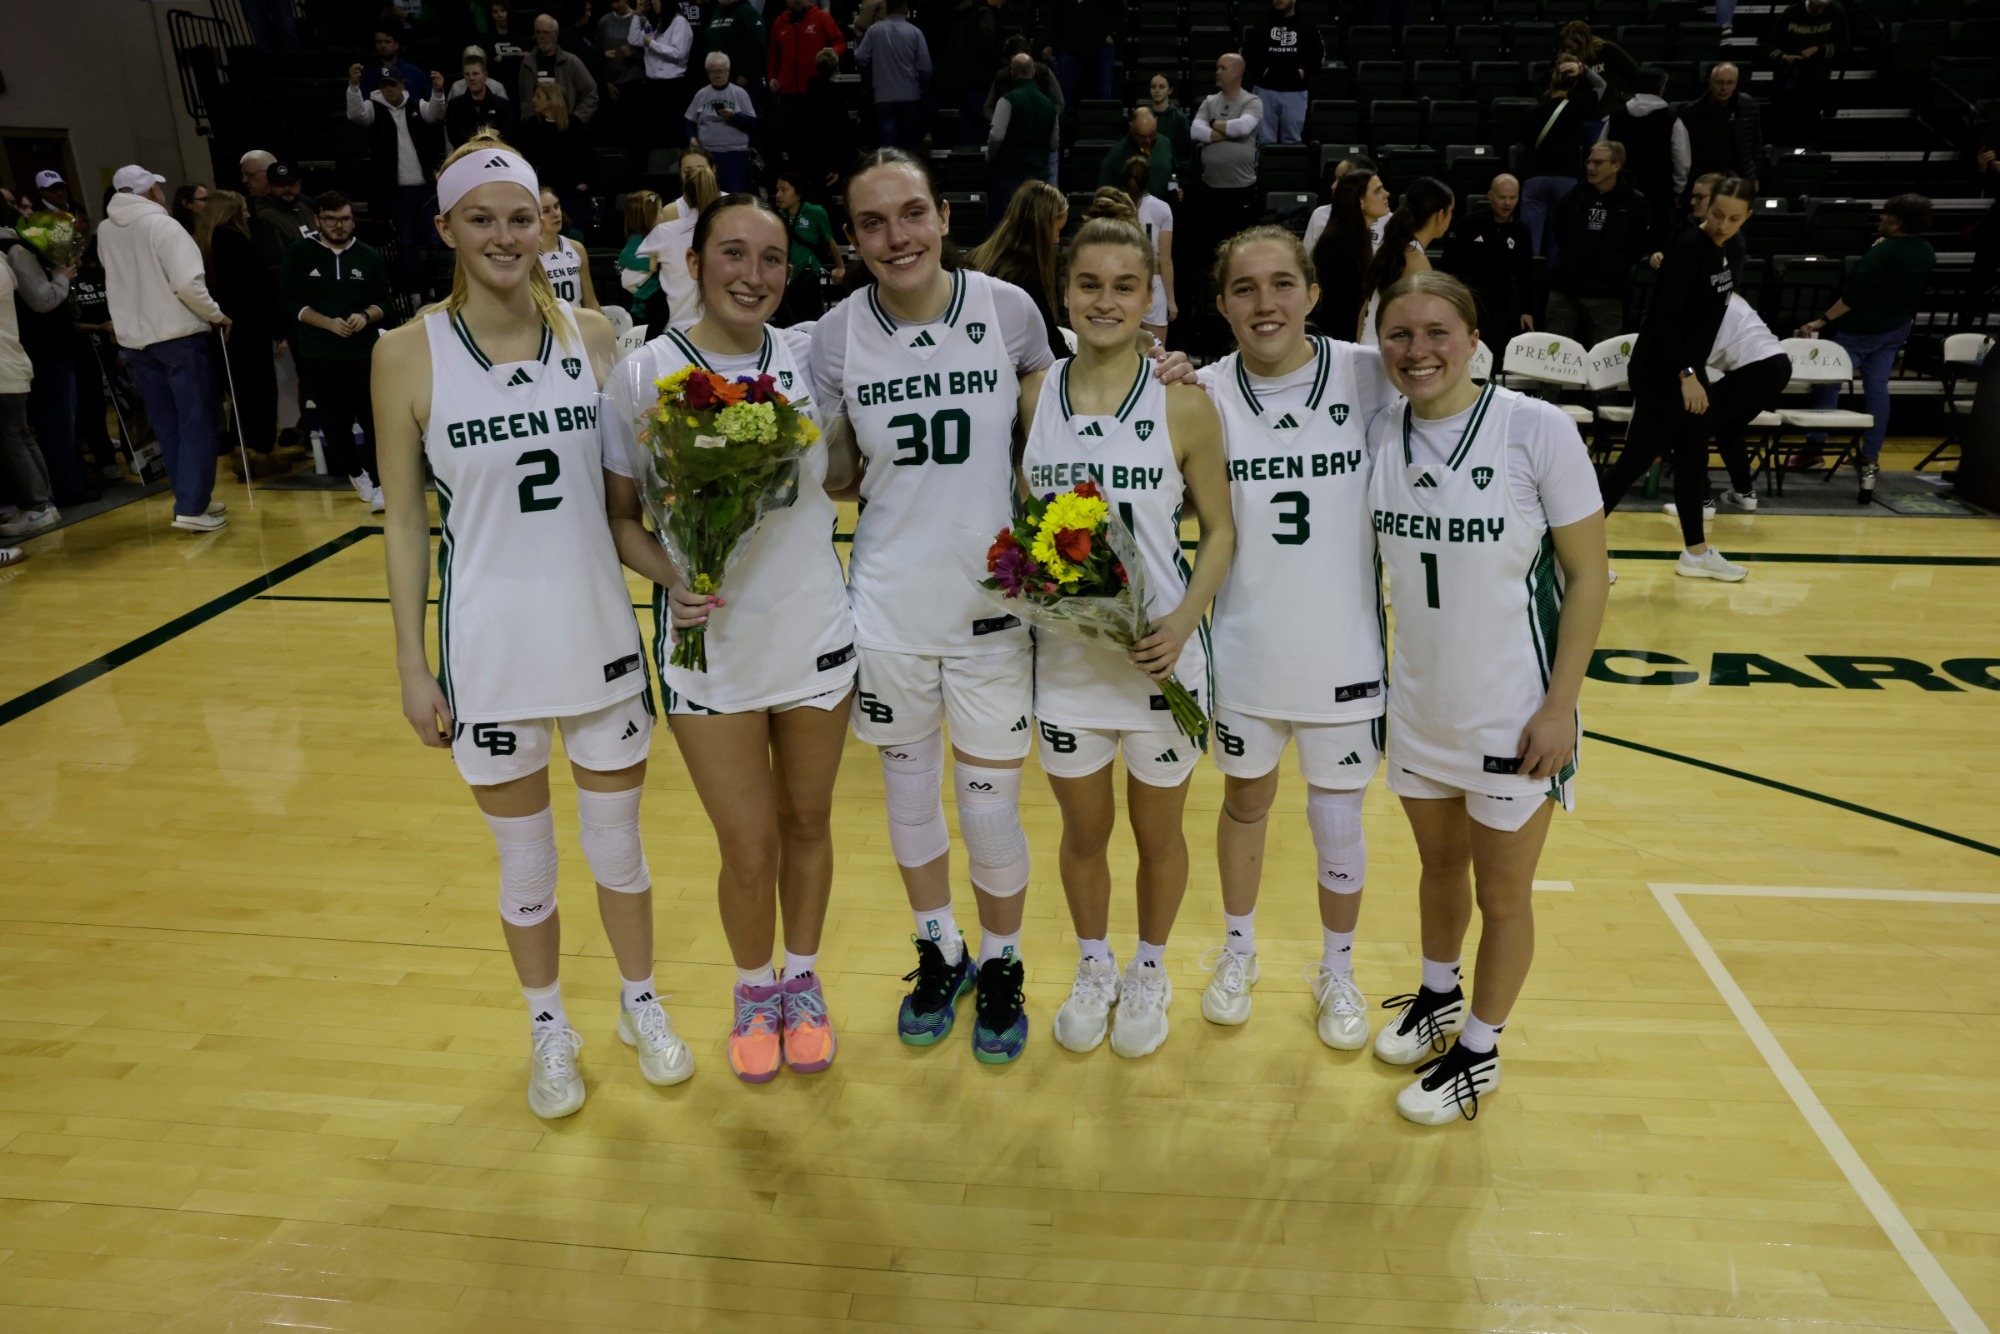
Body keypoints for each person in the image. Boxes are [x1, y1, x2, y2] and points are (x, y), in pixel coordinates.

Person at [374, 136, 691, 1120]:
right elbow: (401, 519)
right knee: (526, 865)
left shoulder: (596, 336)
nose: (504, 235)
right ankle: (549, 1025)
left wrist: (691, 568)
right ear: (448, 231)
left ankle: (641, 1002)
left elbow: (628, 500)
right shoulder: (405, 353)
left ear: (544, 223)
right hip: (490, 651)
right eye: (482, 218)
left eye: (521, 216)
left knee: (617, 850)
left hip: (596, 634)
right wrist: (410, 664)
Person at [809, 149, 1058, 1064]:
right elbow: (835, 471)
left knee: (989, 812)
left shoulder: (1009, 311)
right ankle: (938, 948)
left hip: (994, 606)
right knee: (910, 800)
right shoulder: (834, 334)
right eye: (872, 223)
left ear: (943, 216)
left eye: (910, 214)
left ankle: (1002, 961)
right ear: (854, 238)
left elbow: (1063, 419)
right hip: (887, 608)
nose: (895, 236)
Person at [602, 191, 856, 1083]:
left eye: (772, 259)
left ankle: (805, 980)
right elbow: (623, 519)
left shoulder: (807, 361)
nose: (753, 275)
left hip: (815, 633)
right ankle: (754, 988)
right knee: (746, 846)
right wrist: (677, 575)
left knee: (808, 820)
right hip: (710, 644)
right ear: (695, 262)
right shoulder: (642, 375)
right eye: (734, 255)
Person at [1365, 270, 1607, 1124]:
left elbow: (1589, 577)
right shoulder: (1377, 431)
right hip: (1421, 708)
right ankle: (1437, 995)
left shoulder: (1534, 429)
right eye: (1400, 335)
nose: (1418, 350)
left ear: (1475, 341)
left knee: (1504, 897)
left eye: (1438, 333)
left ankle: (1480, 1047)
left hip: (1515, 712)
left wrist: (1559, 707)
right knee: (1439, 869)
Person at [1020, 215, 1233, 1060]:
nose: (1105, 301)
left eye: (1124, 286)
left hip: (1160, 660)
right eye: (1089, 285)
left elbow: (1220, 531)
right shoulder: (1034, 395)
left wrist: (1183, 623)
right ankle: (1093, 962)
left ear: (1152, 297)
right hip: (1068, 662)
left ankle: (1149, 967)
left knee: (1159, 834)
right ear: (1063, 293)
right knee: (1082, 834)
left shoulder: (1184, 401)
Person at [1195, 226, 1391, 1045]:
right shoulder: (1197, 392)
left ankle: (1338, 971)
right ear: (1221, 305)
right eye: (1245, 288)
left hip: (1345, 654)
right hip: (1244, 651)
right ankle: (1238, 950)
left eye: (1283, 284)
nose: (1265, 302)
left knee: (1338, 820)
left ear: (1314, 292)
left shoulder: (1370, 374)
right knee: (1245, 802)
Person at [1601, 177, 1755, 581]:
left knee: (1693, 460)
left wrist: (1697, 371)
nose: (1723, 224)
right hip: (1662, 370)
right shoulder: (1689, 248)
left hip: (1689, 368)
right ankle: (1570, 552)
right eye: (1717, 214)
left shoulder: (1725, 249)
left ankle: (1696, 553)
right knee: (1633, 461)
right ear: (1705, 208)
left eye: (1734, 218)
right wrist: (1686, 375)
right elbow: (1665, 320)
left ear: (1747, 217)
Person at [100, 165, 232, 533]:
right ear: (150, 191)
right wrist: (217, 315)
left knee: (168, 423)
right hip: (178, 337)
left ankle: (192, 496)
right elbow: (188, 283)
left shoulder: (106, 229)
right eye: (158, 186)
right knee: (197, 420)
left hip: (137, 341)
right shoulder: (164, 226)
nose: (162, 191)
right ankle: (192, 505)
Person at [1794, 193, 1937, 488]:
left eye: (1885, 215)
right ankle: (1870, 455)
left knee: (1828, 382)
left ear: (1896, 223)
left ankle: (1813, 450)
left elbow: (1854, 296)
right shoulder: (1925, 250)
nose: (1881, 218)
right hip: (1897, 327)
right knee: (1877, 390)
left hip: (1861, 330)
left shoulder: (1882, 253)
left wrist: (1822, 320)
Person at [281, 191, 391, 508]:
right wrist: (327, 323)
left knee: (373, 420)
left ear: (353, 220)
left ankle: (381, 481)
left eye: (344, 219)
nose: (338, 226)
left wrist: (366, 315)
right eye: (331, 219)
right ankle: (356, 473)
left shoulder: (368, 255)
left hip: (364, 353)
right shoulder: (300, 253)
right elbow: (290, 302)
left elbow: (384, 301)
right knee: (334, 421)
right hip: (319, 353)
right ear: (317, 221)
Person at [1663, 292, 1788, 522]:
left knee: (1691, 428)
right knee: (1729, 428)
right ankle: (1744, 493)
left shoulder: (1700, 301)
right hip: (1779, 365)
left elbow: (1688, 357)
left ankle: (1699, 502)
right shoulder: (1727, 293)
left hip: (1756, 368)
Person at [2, 208, 88, 506]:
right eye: (21, 208)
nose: (28, 212)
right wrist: (61, 277)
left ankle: (59, 489)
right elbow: (42, 300)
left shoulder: (17, 249)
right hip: (44, 350)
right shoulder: (16, 250)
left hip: (40, 350)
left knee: (46, 426)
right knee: (54, 423)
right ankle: (62, 491)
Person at [193, 190, 281, 469]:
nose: (248, 214)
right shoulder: (235, 240)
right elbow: (256, 287)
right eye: (243, 209)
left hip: (220, 328)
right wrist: (277, 326)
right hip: (248, 328)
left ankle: (242, 451)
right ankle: (261, 454)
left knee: (239, 393)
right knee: (260, 392)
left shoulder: (203, 242)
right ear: (231, 212)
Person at [346, 63, 447, 297]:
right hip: (397, 192)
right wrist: (353, 85)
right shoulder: (373, 108)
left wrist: (439, 92)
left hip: (425, 189)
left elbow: (435, 114)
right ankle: (414, 294)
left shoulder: (416, 105)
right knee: (407, 244)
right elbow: (355, 114)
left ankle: (437, 291)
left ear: (402, 84)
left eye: (392, 84)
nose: (389, 90)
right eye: (384, 86)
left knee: (434, 243)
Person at [1544, 142, 1651, 358]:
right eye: (1589, 162)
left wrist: (1614, 269)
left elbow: (1639, 246)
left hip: (1608, 295)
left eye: (1598, 162)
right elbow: (1559, 232)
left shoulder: (1635, 203)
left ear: (1616, 166)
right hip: (1565, 291)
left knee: (1605, 365)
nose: (1591, 167)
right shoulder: (1572, 197)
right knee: (1552, 363)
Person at [966, 180, 1069, 362]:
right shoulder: (1026, 277)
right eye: (1057, 230)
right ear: (1043, 227)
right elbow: (1050, 340)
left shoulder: (980, 254)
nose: (1057, 240)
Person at [1516, 58, 1604, 260]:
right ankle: (1554, 282)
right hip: (1566, 179)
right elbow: (1601, 86)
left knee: (1530, 239)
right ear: (1573, 85)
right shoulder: (1578, 106)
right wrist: (1583, 69)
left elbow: (1521, 147)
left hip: (1535, 178)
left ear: (1550, 85)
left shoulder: (1533, 112)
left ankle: (1530, 281)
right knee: (1561, 236)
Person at [1439, 172, 1535, 352]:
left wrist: (1527, 310)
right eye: (1502, 197)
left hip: (1502, 306)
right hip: (1469, 303)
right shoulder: (1468, 224)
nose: (1507, 203)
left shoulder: (1521, 232)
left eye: (1513, 197)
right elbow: (1448, 266)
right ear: (1490, 196)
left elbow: (1525, 274)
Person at [0, 252, 58, 540]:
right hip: (12, 365)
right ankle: (42, 503)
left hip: (4, 368)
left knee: (12, 438)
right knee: (21, 435)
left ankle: (37, 507)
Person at [1357, 177, 1453, 347]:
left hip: (1369, 348)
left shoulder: (1394, 247)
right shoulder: (1415, 259)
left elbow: (1365, 308)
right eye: (1451, 211)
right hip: (1385, 355)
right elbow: (1421, 323)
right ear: (1440, 215)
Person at [638, 147, 722, 331]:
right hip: (681, 314)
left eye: (700, 169)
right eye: (688, 170)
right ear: (681, 174)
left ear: (713, 170)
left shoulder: (734, 205)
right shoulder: (670, 212)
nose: (694, 174)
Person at [1602, 68, 1688, 244]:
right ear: (1661, 88)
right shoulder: (1671, 119)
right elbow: (1682, 159)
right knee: (1655, 240)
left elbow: (1601, 149)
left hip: (1620, 188)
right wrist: (1679, 189)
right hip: (1659, 192)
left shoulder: (1616, 115)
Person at [1190, 54, 1264, 243]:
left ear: (1238, 71)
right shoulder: (1209, 101)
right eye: (1217, 68)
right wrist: (1229, 131)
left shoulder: (1252, 101)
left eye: (1223, 68)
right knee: (1212, 244)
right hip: (1211, 188)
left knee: (1240, 244)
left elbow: (1242, 127)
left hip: (1241, 189)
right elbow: (1196, 132)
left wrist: (1213, 122)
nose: (1217, 72)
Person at [1308, 168, 1384, 344]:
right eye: (1378, 190)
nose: (1386, 194)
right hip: (1333, 343)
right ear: (1360, 202)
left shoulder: (1355, 235)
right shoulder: (1338, 242)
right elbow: (1337, 310)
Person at [768, 0, 847, 163]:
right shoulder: (779, 21)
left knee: (815, 140)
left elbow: (839, 42)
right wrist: (771, 77)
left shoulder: (821, 17)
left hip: (814, 93)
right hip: (788, 92)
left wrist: (832, 55)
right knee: (791, 142)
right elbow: (773, 53)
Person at [1764, 0, 1847, 145]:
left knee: (1810, 127)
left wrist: (1818, 49)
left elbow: (1844, 45)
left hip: (1817, 80)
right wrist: (1784, 57)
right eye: (1817, 6)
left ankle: (1807, 154)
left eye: (1823, 7)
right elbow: (1768, 45)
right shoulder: (1791, 12)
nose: (1820, 10)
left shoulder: (1836, 10)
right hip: (1790, 79)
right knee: (1784, 126)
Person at [855, 0, 932, 153]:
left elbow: (861, 57)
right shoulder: (914, 32)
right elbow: (925, 67)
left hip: (883, 96)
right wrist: (923, 89)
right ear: (905, 8)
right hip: (910, 95)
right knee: (911, 145)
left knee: (888, 147)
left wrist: (871, 77)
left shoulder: (874, 31)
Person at [987, 52, 1058, 216]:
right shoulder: (1049, 104)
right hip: (1039, 178)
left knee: (1004, 225)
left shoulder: (1007, 100)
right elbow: (1054, 143)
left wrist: (991, 156)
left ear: (1012, 73)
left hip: (1010, 177)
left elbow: (996, 135)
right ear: (1033, 72)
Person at [1243, 0, 1322, 146]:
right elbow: (1249, 54)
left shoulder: (1307, 26)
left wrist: (1303, 72)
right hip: (1264, 91)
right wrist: (1263, 72)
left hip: (1295, 92)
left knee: (1293, 141)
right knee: (1264, 141)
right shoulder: (1261, 25)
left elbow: (1317, 56)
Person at [1649, 173, 1746, 285]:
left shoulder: (1732, 238)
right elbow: (1665, 263)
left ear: (1717, 198)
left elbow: (1731, 282)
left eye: (1699, 197)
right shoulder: (1684, 227)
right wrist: (1657, 259)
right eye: (1693, 196)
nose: (1692, 202)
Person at [774, 171, 842, 324]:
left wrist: (840, 267)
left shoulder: (815, 213)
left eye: (784, 190)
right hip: (785, 280)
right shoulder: (777, 217)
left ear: (798, 194)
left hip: (807, 278)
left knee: (810, 323)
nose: (778, 195)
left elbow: (830, 241)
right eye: (777, 190)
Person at [1120, 161, 1177, 345]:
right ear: (1149, 179)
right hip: (1153, 283)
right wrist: (1171, 301)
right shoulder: (1161, 208)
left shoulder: (1116, 206)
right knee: (1157, 356)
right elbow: (1166, 260)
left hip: (1123, 284)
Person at [685, 54, 759, 193]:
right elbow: (690, 121)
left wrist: (734, 116)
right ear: (708, 73)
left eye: (721, 71)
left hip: (734, 154)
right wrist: (692, 138)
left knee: (733, 195)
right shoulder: (701, 94)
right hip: (707, 154)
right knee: (707, 193)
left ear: (728, 72)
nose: (717, 75)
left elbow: (753, 122)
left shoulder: (739, 93)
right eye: (713, 72)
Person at [1680, 63, 1761, 189]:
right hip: (1704, 179)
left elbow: (1755, 145)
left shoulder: (1749, 107)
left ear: (1736, 84)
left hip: (1739, 178)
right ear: (1710, 83)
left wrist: (1754, 177)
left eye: (1730, 83)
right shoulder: (1692, 111)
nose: (1724, 88)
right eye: (1719, 82)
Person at [938, 0, 1006, 145]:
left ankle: (967, 161)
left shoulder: (963, 11)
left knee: (966, 123)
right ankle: (981, 160)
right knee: (982, 120)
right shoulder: (984, 12)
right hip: (978, 78)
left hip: (960, 78)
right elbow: (986, 47)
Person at [630, 0, 695, 139]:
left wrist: (652, 44)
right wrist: (637, 15)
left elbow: (679, 53)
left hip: (671, 86)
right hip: (653, 85)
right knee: (656, 132)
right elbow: (634, 40)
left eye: (656, 1)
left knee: (671, 130)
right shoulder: (657, 22)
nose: (653, 3)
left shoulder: (679, 22)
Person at [520, 12, 601, 122]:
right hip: (537, 130)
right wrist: (527, 118)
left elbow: (591, 93)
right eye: (538, 32)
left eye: (545, 32)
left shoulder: (571, 62)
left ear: (555, 34)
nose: (541, 36)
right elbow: (524, 96)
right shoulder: (527, 63)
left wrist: (575, 120)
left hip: (564, 130)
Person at [800, 48, 856, 200]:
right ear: (836, 69)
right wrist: (838, 165)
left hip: (810, 157)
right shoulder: (836, 96)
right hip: (829, 159)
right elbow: (841, 131)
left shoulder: (808, 94)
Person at [1043, 0, 1117, 111]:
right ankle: (1064, 126)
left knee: (1103, 94)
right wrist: (1049, 43)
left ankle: (1102, 125)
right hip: (1071, 47)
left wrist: (1114, 35)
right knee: (1063, 93)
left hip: (1101, 47)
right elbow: (1055, 16)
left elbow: (1120, 10)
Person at [1556, 21, 1639, 117]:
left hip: (1606, 113)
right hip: (1580, 114)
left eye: (1570, 47)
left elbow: (1634, 71)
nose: (1567, 51)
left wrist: (1621, 95)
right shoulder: (1567, 58)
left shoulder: (1606, 49)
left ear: (1582, 43)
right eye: (1565, 47)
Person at [536, 187, 600, 310]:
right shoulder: (526, 255)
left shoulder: (576, 248)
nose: (556, 213)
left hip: (577, 325)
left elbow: (591, 301)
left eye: (557, 206)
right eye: (546, 210)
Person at [1097, 106, 1173, 202]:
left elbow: (1176, 174)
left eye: (1151, 134)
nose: (1148, 141)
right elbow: (1103, 197)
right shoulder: (1116, 156)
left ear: (1156, 122)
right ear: (1131, 128)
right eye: (1142, 137)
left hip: (1164, 212)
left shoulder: (1165, 143)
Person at [618, 189, 666, 335]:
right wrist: (646, 264)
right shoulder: (638, 239)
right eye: (659, 212)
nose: (663, 215)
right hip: (648, 292)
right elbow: (625, 257)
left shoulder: (659, 234)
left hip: (658, 288)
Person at [448, 54, 519, 146]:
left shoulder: (502, 105)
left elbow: (509, 135)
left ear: (485, 75)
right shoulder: (455, 105)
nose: (471, 78)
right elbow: (454, 137)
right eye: (467, 74)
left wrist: (470, 132)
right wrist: (487, 133)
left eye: (475, 73)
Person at [1144, 71, 1193, 183]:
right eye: (1153, 87)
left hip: (1171, 176)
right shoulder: (1143, 116)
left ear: (1169, 90)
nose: (1156, 90)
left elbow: (1184, 156)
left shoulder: (1179, 118)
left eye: (1161, 87)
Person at [363, 27, 428, 93]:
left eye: (387, 41)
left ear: (396, 45)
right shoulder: (367, 72)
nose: (382, 45)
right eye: (379, 42)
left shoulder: (413, 71)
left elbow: (429, 98)